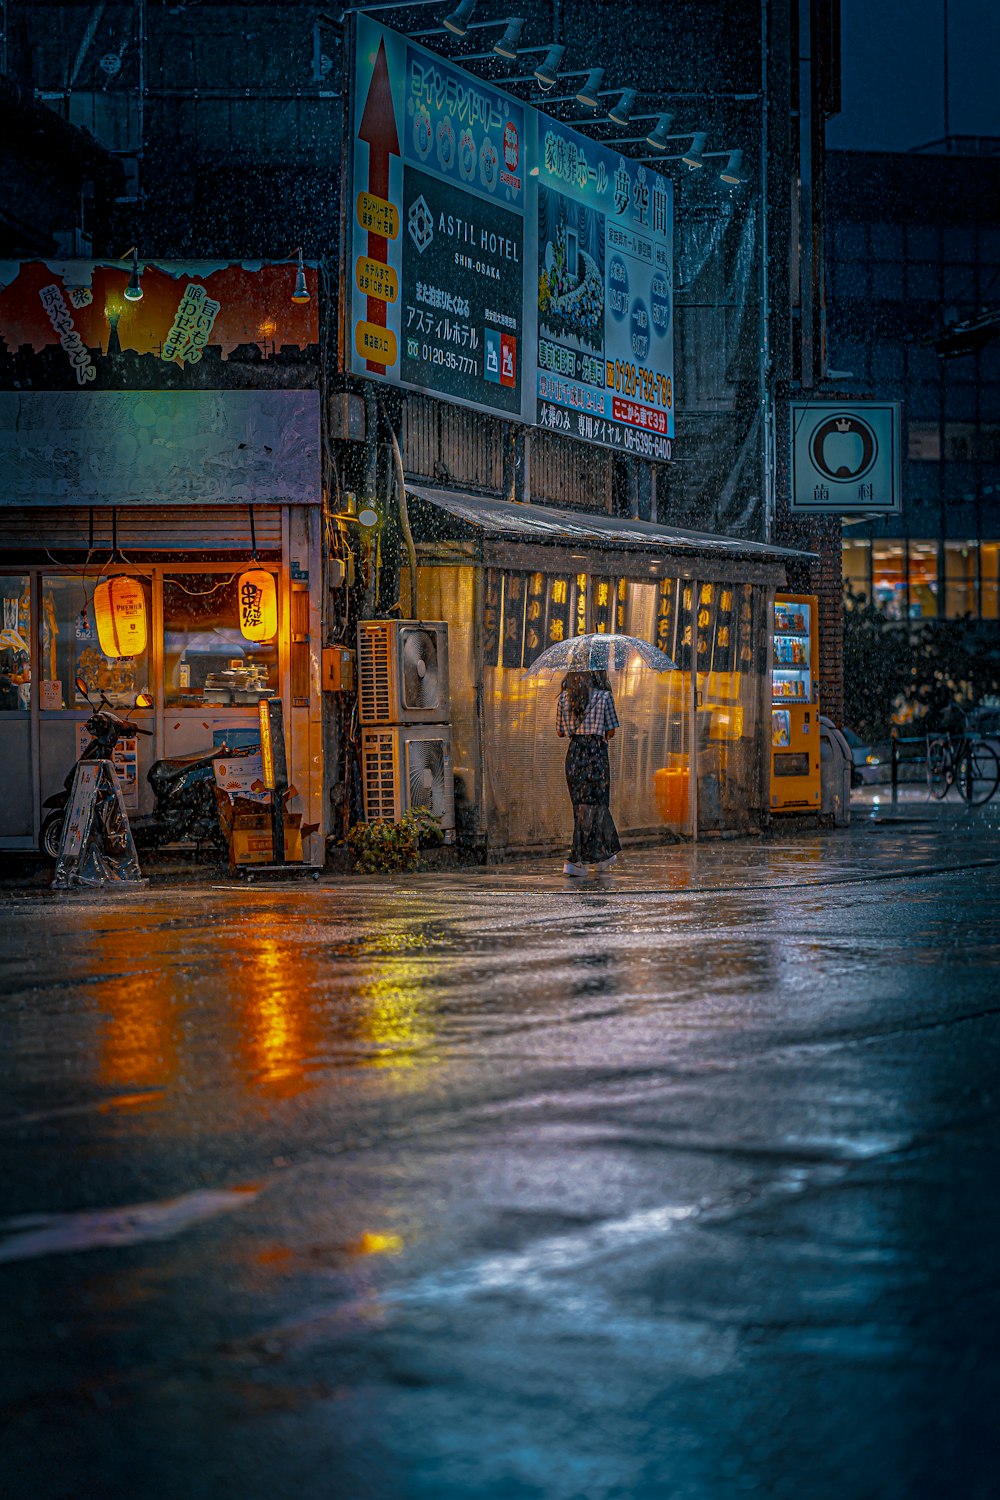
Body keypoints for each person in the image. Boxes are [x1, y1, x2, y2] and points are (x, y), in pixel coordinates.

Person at [556, 669, 622, 876]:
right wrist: (598, 732)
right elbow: (610, 731)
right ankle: (580, 859)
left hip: (575, 755)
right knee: (597, 805)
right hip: (596, 755)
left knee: (581, 807)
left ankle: (598, 855)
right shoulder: (604, 696)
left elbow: (560, 732)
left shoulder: (564, 699)